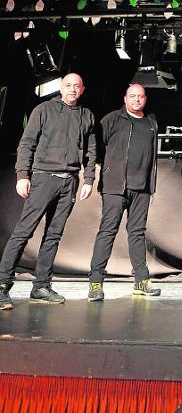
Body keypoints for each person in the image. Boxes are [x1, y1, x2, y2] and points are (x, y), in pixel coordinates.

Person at [0, 73, 96, 310]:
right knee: (24, 231)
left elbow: (91, 151)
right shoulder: (43, 110)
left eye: (77, 86)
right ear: (61, 88)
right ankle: (2, 285)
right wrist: (23, 175)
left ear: (82, 89)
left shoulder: (87, 115)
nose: (72, 89)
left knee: (54, 235)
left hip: (70, 181)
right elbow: (27, 143)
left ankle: (41, 286)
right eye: (68, 86)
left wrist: (88, 179)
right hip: (44, 178)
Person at [87, 84, 161, 301]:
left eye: (140, 96)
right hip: (114, 187)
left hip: (142, 188)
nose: (137, 100)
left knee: (137, 233)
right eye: (132, 96)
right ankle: (95, 284)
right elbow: (97, 149)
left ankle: (141, 281)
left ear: (145, 99)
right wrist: (108, 170)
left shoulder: (150, 123)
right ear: (125, 98)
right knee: (107, 232)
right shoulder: (112, 119)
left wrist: (149, 185)